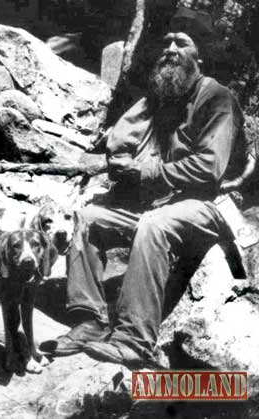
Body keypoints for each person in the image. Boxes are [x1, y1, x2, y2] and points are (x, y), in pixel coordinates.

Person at [40, 7, 251, 367]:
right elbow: (120, 141)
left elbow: (208, 167)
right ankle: (90, 320)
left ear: (199, 55)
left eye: (181, 43)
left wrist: (146, 171)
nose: (170, 48)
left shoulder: (216, 97)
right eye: (166, 41)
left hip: (205, 205)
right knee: (87, 217)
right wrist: (122, 165)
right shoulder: (160, 96)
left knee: (154, 227)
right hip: (156, 203)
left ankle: (135, 340)